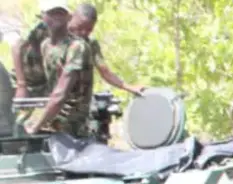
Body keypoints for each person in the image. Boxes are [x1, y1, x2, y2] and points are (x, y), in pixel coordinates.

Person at [23, 0, 93, 138]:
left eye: (61, 13)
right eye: (52, 13)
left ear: (69, 17)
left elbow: (61, 94)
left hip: (72, 117)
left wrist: (37, 125)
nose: (57, 17)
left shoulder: (77, 47)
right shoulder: (45, 46)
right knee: (17, 126)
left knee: (27, 135)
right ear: (42, 16)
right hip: (54, 111)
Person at [69, 4, 146, 96]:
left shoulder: (91, 44)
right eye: (79, 27)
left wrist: (129, 87)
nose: (83, 32)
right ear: (71, 17)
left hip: (78, 103)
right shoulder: (54, 36)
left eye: (89, 30)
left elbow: (105, 72)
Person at [11, 3, 52, 100]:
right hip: (25, 80)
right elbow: (16, 47)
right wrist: (21, 85)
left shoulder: (68, 28)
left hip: (45, 83)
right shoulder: (38, 26)